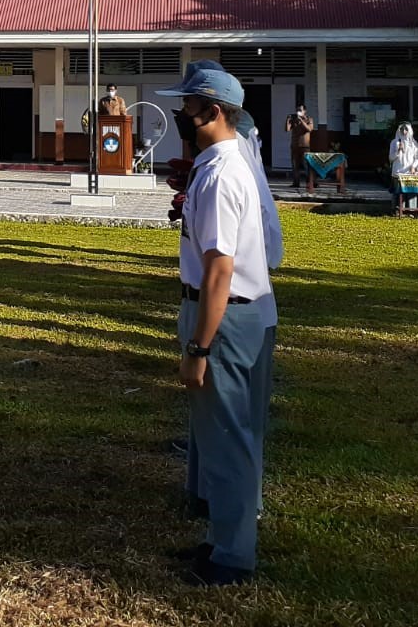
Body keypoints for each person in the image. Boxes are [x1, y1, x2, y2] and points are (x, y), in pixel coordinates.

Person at [156, 63, 272, 587]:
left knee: (227, 440)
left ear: (215, 111)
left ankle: (230, 558)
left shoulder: (223, 174)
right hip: (240, 313)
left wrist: (198, 348)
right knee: (231, 437)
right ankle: (223, 539)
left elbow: (219, 269)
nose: (182, 115)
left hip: (223, 318)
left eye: (189, 107)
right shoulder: (218, 165)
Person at [284, 104, 313, 187]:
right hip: (295, 146)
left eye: (300, 110)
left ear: (305, 111)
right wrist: (288, 120)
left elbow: (309, 129)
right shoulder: (294, 120)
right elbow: (287, 129)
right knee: (295, 165)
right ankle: (296, 183)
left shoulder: (309, 119)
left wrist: (301, 120)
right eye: (297, 110)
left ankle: (309, 183)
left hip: (305, 146)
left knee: (306, 165)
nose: (298, 112)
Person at [388, 122, 418, 196]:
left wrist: (413, 166)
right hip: (397, 173)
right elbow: (390, 158)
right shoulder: (394, 142)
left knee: (410, 195)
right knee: (397, 196)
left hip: (409, 173)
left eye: (406, 129)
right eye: (402, 129)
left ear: (409, 130)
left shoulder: (414, 144)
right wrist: (398, 150)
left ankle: (411, 208)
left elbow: (417, 158)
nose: (404, 131)